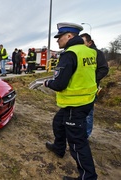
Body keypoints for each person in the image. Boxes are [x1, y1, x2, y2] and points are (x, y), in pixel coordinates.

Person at [44, 22, 98, 180]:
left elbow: (60, 84)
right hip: (86, 101)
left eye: (59, 37)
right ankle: (59, 148)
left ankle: (88, 177)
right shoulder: (89, 51)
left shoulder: (70, 53)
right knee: (58, 122)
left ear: (69, 36)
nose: (57, 40)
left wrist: (47, 83)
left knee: (77, 143)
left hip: (76, 104)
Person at [80, 33, 109, 137]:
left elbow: (104, 69)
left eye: (83, 42)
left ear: (89, 42)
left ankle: (86, 135)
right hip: (80, 88)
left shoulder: (97, 53)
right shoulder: (81, 53)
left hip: (91, 88)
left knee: (88, 112)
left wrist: (92, 79)